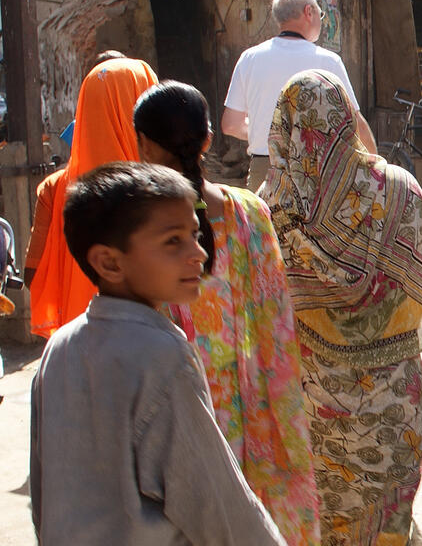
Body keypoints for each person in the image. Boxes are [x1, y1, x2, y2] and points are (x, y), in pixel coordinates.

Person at [30, 161, 284, 545]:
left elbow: (44, 495)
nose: (198, 253)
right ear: (109, 262)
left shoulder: (60, 348)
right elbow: (221, 509)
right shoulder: (163, 356)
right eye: (173, 241)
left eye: (194, 235)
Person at [262, 69, 422, 544]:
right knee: (388, 516)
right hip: (393, 398)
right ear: (346, 120)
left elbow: (265, 308)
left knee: (328, 520)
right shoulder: (398, 188)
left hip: (314, 403)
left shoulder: (269, 213)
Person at [134, 82, 320, 545]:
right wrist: (284, 414)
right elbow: (279, 326)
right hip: (256, 407)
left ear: (144, 146)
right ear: (208, 140)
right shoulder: (250, 213)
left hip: (183, 408)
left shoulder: (140, 226)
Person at [28, 57, 159, 338]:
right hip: (149, 345)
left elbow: (33, 274)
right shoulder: (164, 192)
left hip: (77, 348)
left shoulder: (54, 188)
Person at [222, 0, 375, 193]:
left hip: (264, 172)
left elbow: (230, 125)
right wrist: (377, 167)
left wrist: (268, 132)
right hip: (313, 173)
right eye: (320, 14)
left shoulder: (250, 58)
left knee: (264, 216)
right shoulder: (327, 61)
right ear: (309, 12)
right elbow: (356, 123)